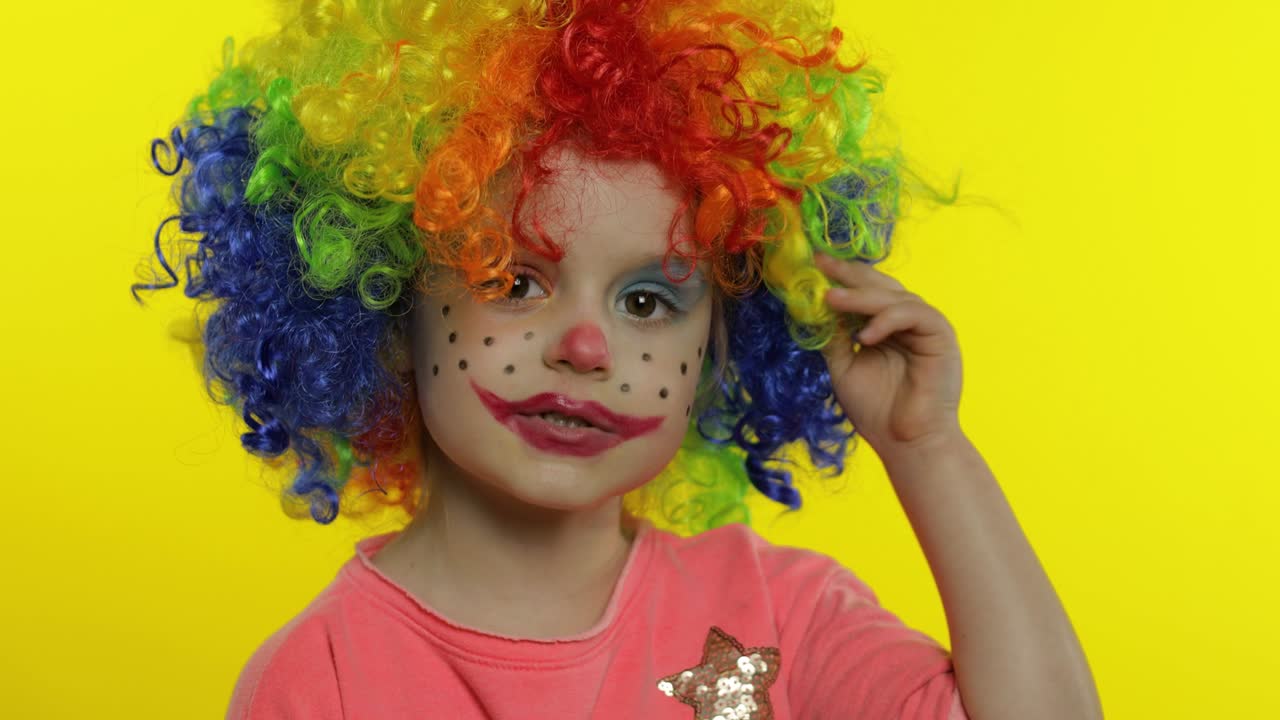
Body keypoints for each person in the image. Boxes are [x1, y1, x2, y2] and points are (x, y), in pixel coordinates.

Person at [132, 1, 1101, 717]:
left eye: (648, 300)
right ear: (385, 307)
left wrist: (926, 448)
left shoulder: (779, 616)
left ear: (721, 345)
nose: (589, 347)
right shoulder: (323, 679)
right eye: (514, 280)